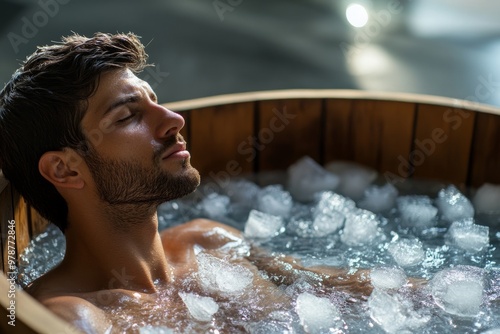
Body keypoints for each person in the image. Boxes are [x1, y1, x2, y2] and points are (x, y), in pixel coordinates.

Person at [0, 33, 374, 333]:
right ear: (65, 170)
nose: (173, 119)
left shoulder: (209, 241)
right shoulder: (73, 317)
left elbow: (345, 292)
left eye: (156, 102)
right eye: (128, 116)